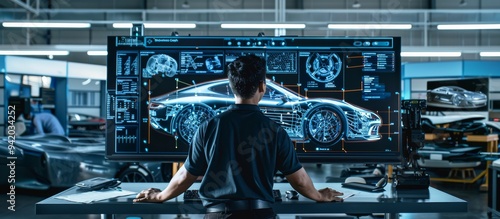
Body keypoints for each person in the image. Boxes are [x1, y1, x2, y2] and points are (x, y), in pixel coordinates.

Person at [134, 55, 344, 218]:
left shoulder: (208, 127)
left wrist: (160, 195)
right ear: (262, 86)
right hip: (259, 214)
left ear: (231, 87)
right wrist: (318, 195)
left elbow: (184, 177)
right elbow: (298, 180)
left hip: (217, 215)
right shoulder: (274, 130)